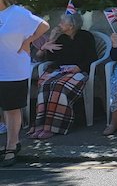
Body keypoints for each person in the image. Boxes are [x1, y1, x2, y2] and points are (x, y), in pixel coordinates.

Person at [0, 0, 49, 166]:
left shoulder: (17, 13)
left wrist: (28, 41)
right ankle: (10, 142)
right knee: (4, 108)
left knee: (12, 109)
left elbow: (43, 25)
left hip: (13, 69)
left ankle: (12, 145)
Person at [29, 10, 98, 139]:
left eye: (62, 22)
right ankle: (41, 125)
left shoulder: (86, 36)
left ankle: (55, 126)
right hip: (61, 70)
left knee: (59, 87)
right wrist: (52, 39)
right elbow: (52, 57)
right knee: (44, 84)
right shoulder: (61, 38)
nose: (59, 24)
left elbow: (92, 57)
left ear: (71, 25)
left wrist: (79, 67)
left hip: (79, 71)